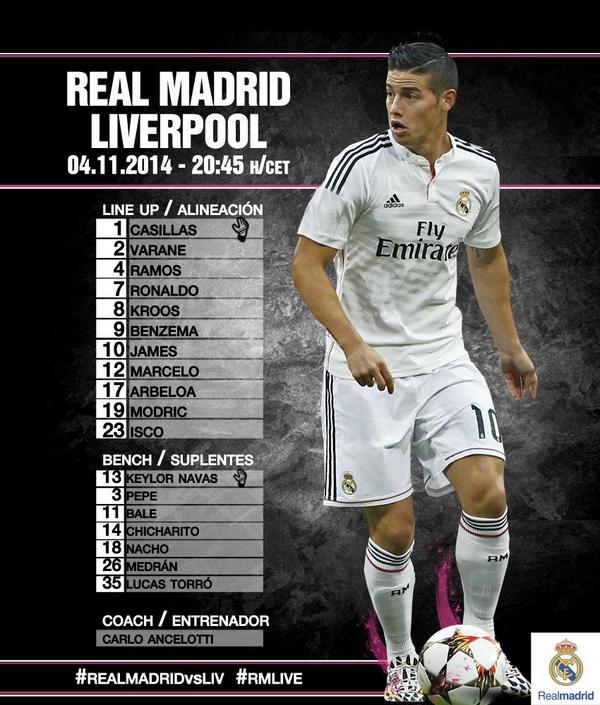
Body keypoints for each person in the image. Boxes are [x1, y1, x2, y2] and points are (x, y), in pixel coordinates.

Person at [292, 41, 537, 702]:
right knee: (395, 530)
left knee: (488, 492)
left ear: (446, 99)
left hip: (444, 358)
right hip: (366, 371)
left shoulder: (479, 171)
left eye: (410, 94)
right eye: (389, 92)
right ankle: (402, 658)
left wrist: (510, 347)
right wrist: (352, 344)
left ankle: (483, 645)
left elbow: (486, 258)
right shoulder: (359, 167)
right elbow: (306, 265)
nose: (394, 107)